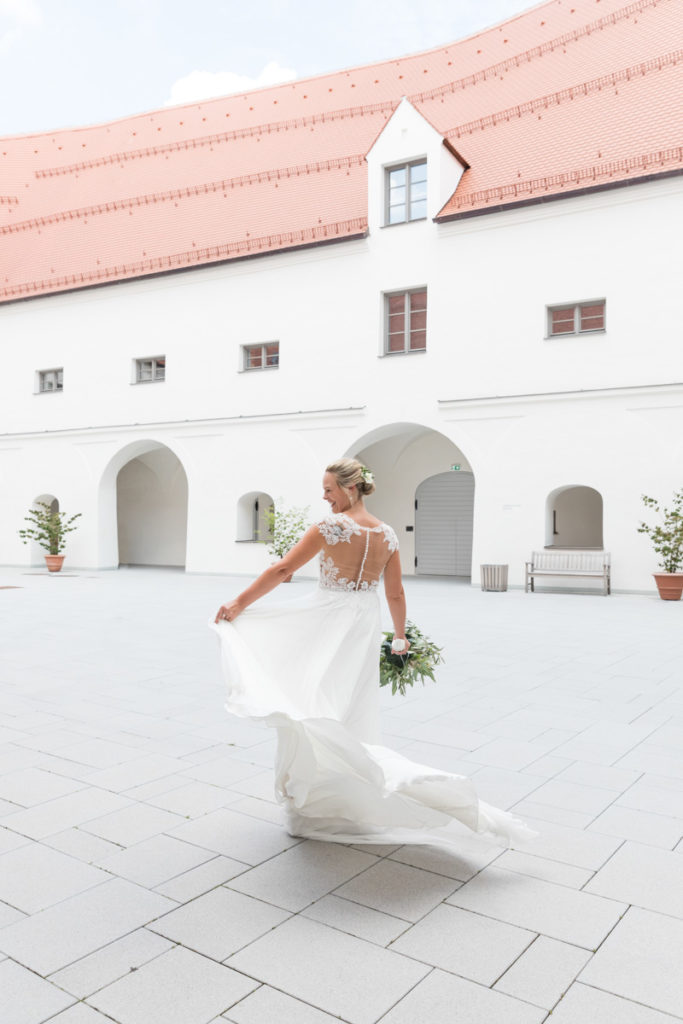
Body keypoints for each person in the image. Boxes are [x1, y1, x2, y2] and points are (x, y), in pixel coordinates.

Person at [212, 458, 535, 849]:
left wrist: (240, 602)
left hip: (328, 617)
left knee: (311, 700)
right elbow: (395, 592)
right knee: (348, 704)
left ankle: (318, 793)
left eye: (329, 489)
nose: (324, 496)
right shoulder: (388, 534)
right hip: (364, 621)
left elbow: (283, 570)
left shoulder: (329, 528)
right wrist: (400, 637)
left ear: (350, 489)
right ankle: (334, 788)